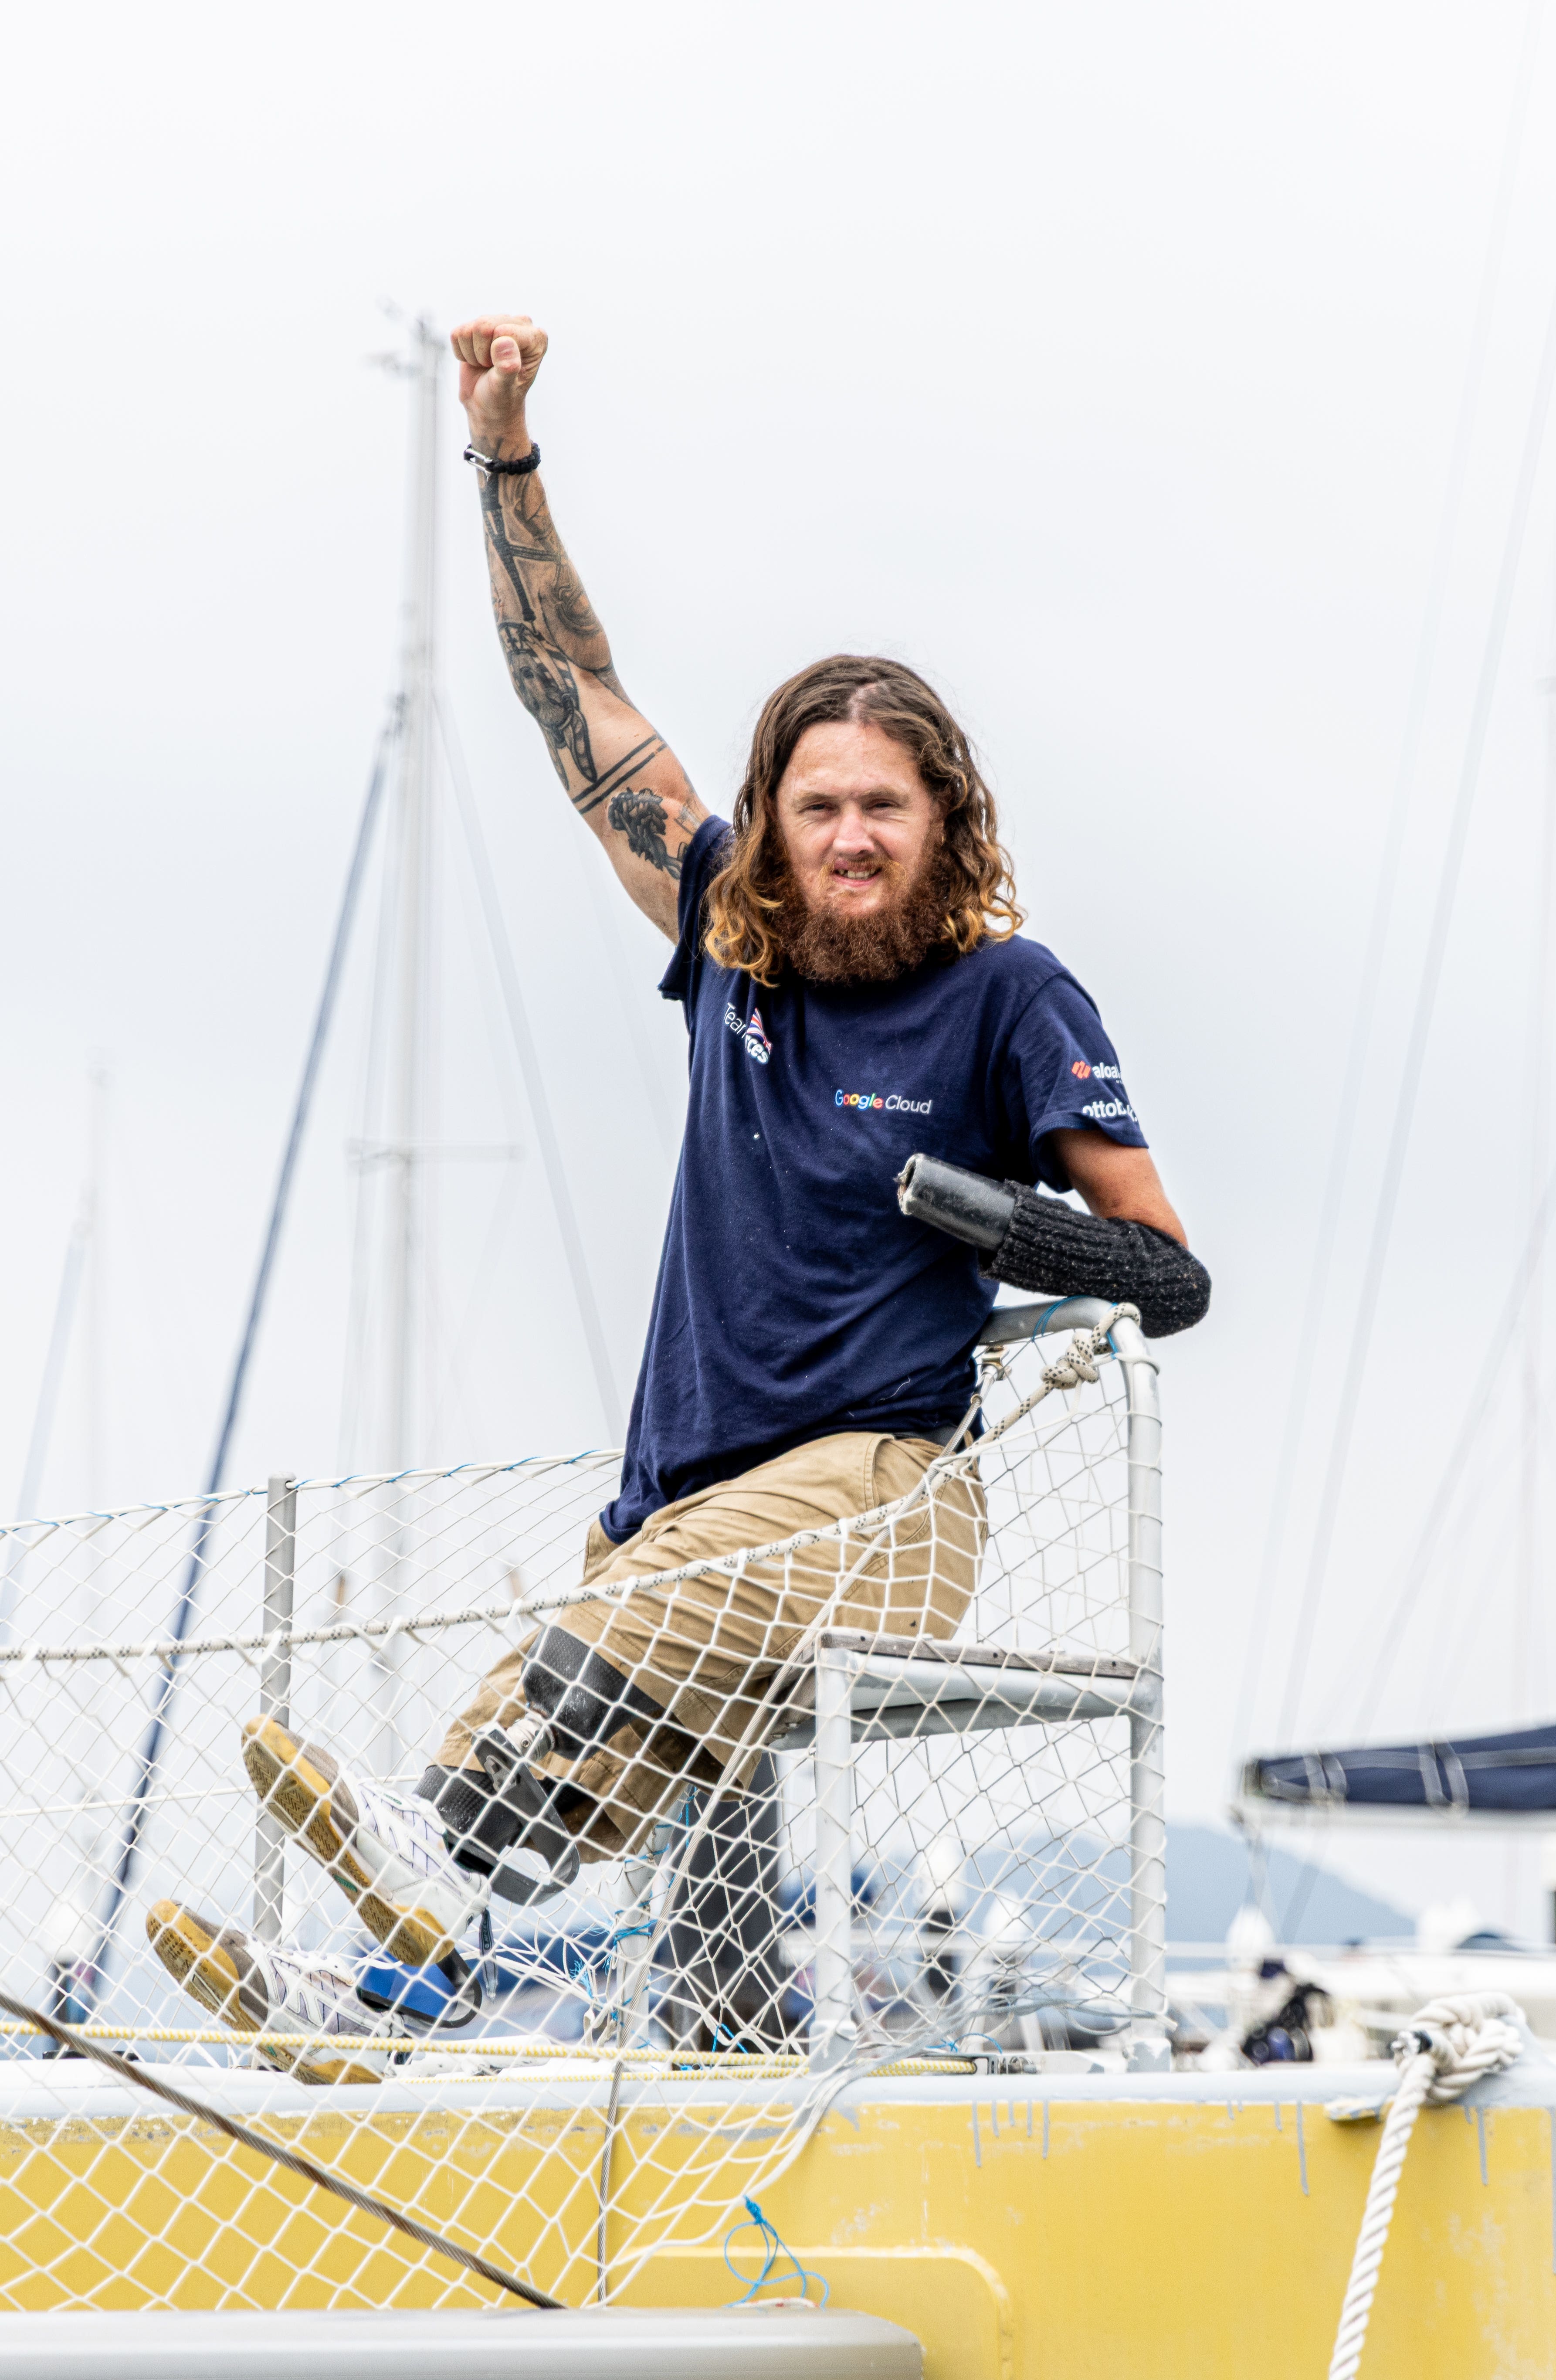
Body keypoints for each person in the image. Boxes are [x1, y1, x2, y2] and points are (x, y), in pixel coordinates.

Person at [144, 313, 1209, 2071]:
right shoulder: (729, 939)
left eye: (882, 805)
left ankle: (399, 1876)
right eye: (817, 806)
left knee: (534, 1709)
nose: (848, 837)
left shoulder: (1012, 998)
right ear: (770, 822)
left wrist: (988, 1219)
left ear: (942, 821)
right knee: (528, 1791)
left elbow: (1166, 1275)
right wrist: (502, 453)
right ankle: (389, 2019)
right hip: (679, 1507)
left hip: (875, 1499)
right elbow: (568, 695)